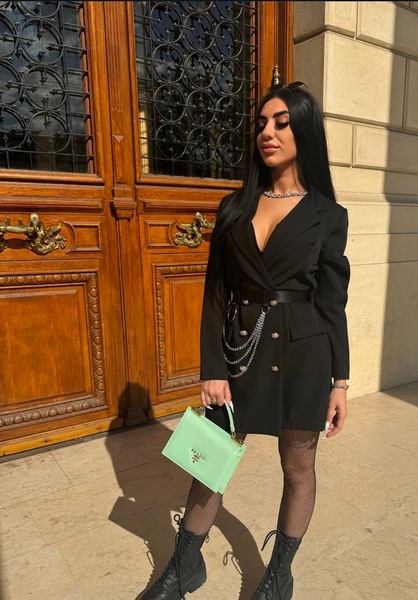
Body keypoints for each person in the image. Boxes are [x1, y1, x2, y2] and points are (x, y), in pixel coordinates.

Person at [142, 81, 350, 600]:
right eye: (261, 124)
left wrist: (340, 381)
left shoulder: (329, 215)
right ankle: (183, 567)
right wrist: (212, 367)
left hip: (305, 355)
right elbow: (216, 292)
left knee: (298, 466)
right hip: (240, 351)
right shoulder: (234, 206)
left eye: (281, 122)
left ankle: (278, 574)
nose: (267, 133)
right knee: (210, 461)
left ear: (304, 131)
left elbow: (331, 303)